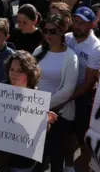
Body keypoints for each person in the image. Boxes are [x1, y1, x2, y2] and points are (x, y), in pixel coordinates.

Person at [32, 15, 79, 172]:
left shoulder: (70, 57)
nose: (49, 36)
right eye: (46, 31)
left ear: (62, 32)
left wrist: (43, 104)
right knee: (36, 158)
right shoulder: (39, 50)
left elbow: (67, 91)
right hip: (35, 112)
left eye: (53, 31)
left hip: (59, 114)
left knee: (56, 157)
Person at [64, 7, 100, 172]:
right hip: (65, 91)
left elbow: (89, 81)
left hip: (82, 95)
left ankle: (83, 166)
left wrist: (68, 97)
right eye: (75, 21)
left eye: (82, 23)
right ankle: (67, 164)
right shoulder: (67, 38)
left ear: (91, 26)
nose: (77, 25)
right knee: (66, 134)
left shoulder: (96, 49)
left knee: (83, 136)